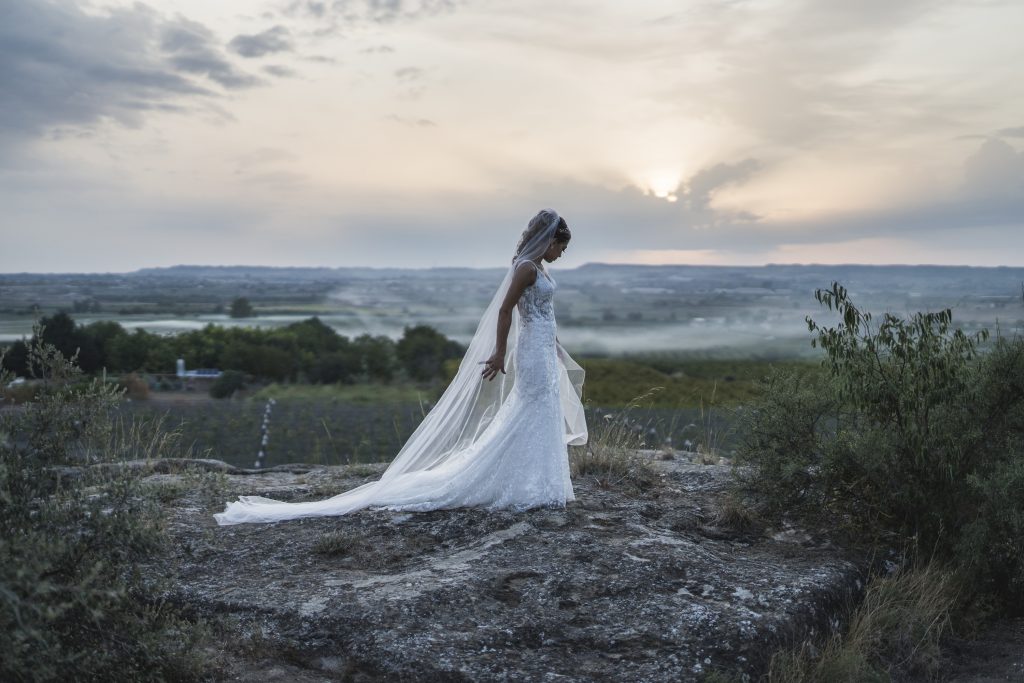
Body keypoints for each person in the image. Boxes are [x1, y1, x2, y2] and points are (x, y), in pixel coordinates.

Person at [213, 209, 587, 525]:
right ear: (548, 239)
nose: (560, 254)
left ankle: (539, 482)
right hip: (530, 353)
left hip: (541, 347)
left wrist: (554, 346)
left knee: (540, 411)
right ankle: (527, 484)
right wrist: (498, 353)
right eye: (560, 246)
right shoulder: (525, 268)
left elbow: (544, 314)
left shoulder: (538, 266)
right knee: (532, 410)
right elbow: (506, 311)